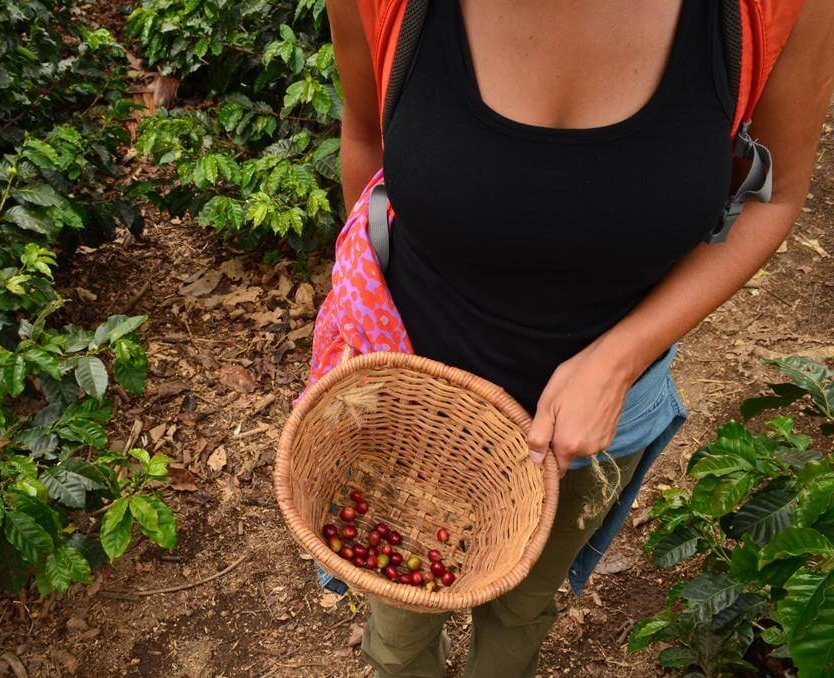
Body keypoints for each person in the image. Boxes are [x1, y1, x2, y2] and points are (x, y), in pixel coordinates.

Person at [324, 0, 834, 676]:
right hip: (420, 416)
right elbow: (365, 139)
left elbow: (771, 196)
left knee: (521, 610)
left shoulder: (779, 10)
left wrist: (617, 361)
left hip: (596, 430)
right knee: (401, 620)